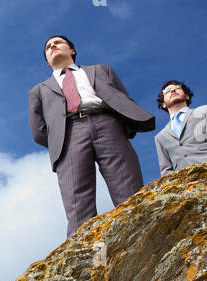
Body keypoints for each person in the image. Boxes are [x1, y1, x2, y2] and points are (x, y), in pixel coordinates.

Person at [28, 35, 155, 238]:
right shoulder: (38, 90)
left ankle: (145, 236)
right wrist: (60, 140)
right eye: (48, 47)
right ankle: (81, 256)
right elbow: (38, 130)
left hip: (107, 125)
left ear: (72, 50)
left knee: (128, 189)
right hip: (69, 135)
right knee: (78, 205)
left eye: (57, 43)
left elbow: (123, 99)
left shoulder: (102, 70)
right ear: (47, 61)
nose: (52, 46)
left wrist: (122, 128)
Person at [154, 80, 207, 175]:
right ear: (163, 104)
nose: (173, 91)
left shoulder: (206, 110)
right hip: (184, 184)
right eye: (168, 90)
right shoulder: (160, 137)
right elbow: (165, 169)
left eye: (177, 88)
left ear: (187, 96)